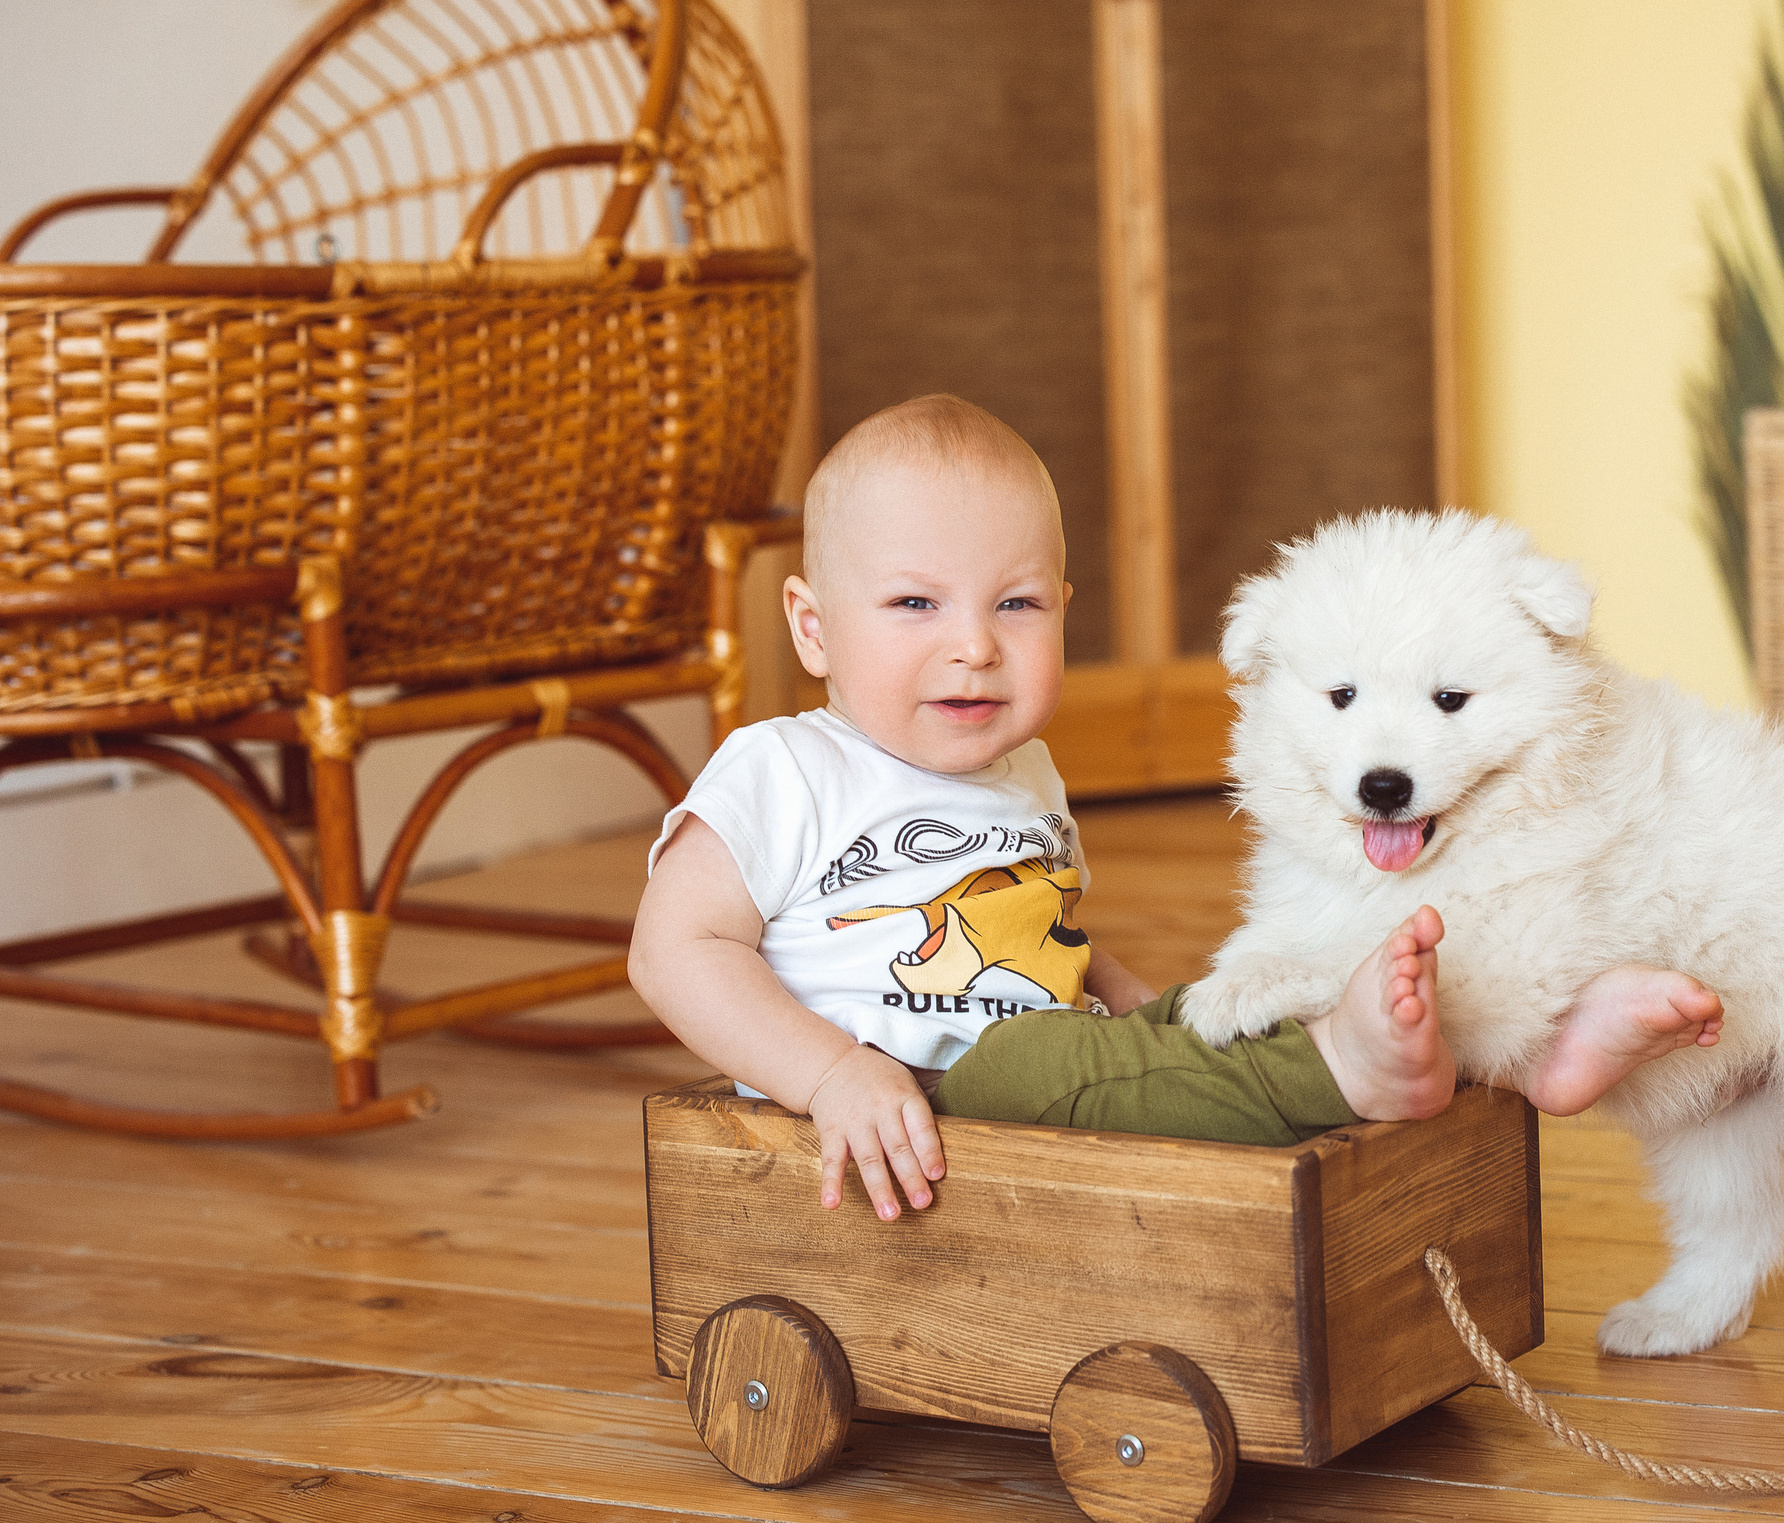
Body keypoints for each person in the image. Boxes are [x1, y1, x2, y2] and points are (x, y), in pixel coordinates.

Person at [629, 394, 1723, 1222]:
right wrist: (831, 1074)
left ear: (1062, 609)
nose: (972, 643)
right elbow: (673, 952)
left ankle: (1509, 1048)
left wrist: (1147, 1003)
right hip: (924, 1091)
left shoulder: (1026, 776)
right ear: (813, 627)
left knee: (1197, 1020)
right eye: (915, 604)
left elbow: (1039, 938)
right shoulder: (782, 770)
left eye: (1015, 604)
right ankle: (1347, 1064)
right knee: (1044, 1064)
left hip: (1045, 1051)